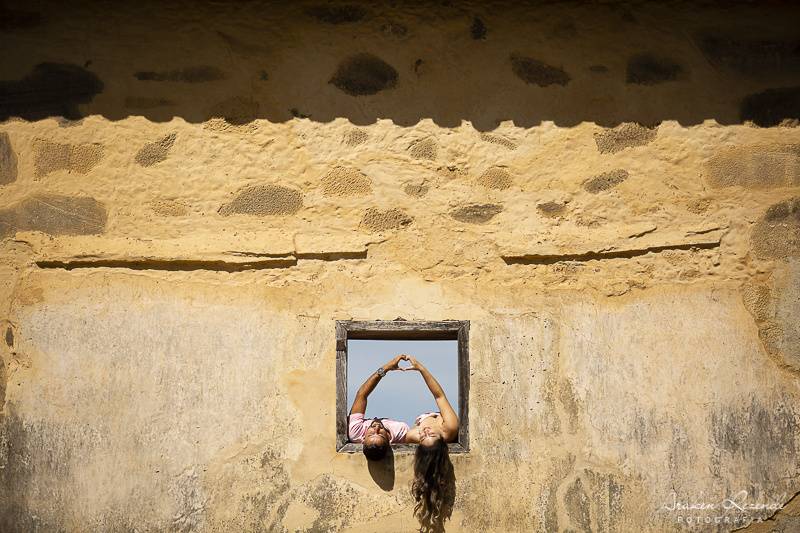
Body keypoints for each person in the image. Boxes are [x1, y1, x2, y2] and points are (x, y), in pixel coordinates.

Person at [348, 353, 458, 530]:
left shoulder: (357, 432)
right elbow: (439, 397)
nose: (426, 432)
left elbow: (362, 395)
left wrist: (385, 368)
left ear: (363, 439)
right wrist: (421, 368)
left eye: (423, 437)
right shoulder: (448, 428)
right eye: (429, 436)